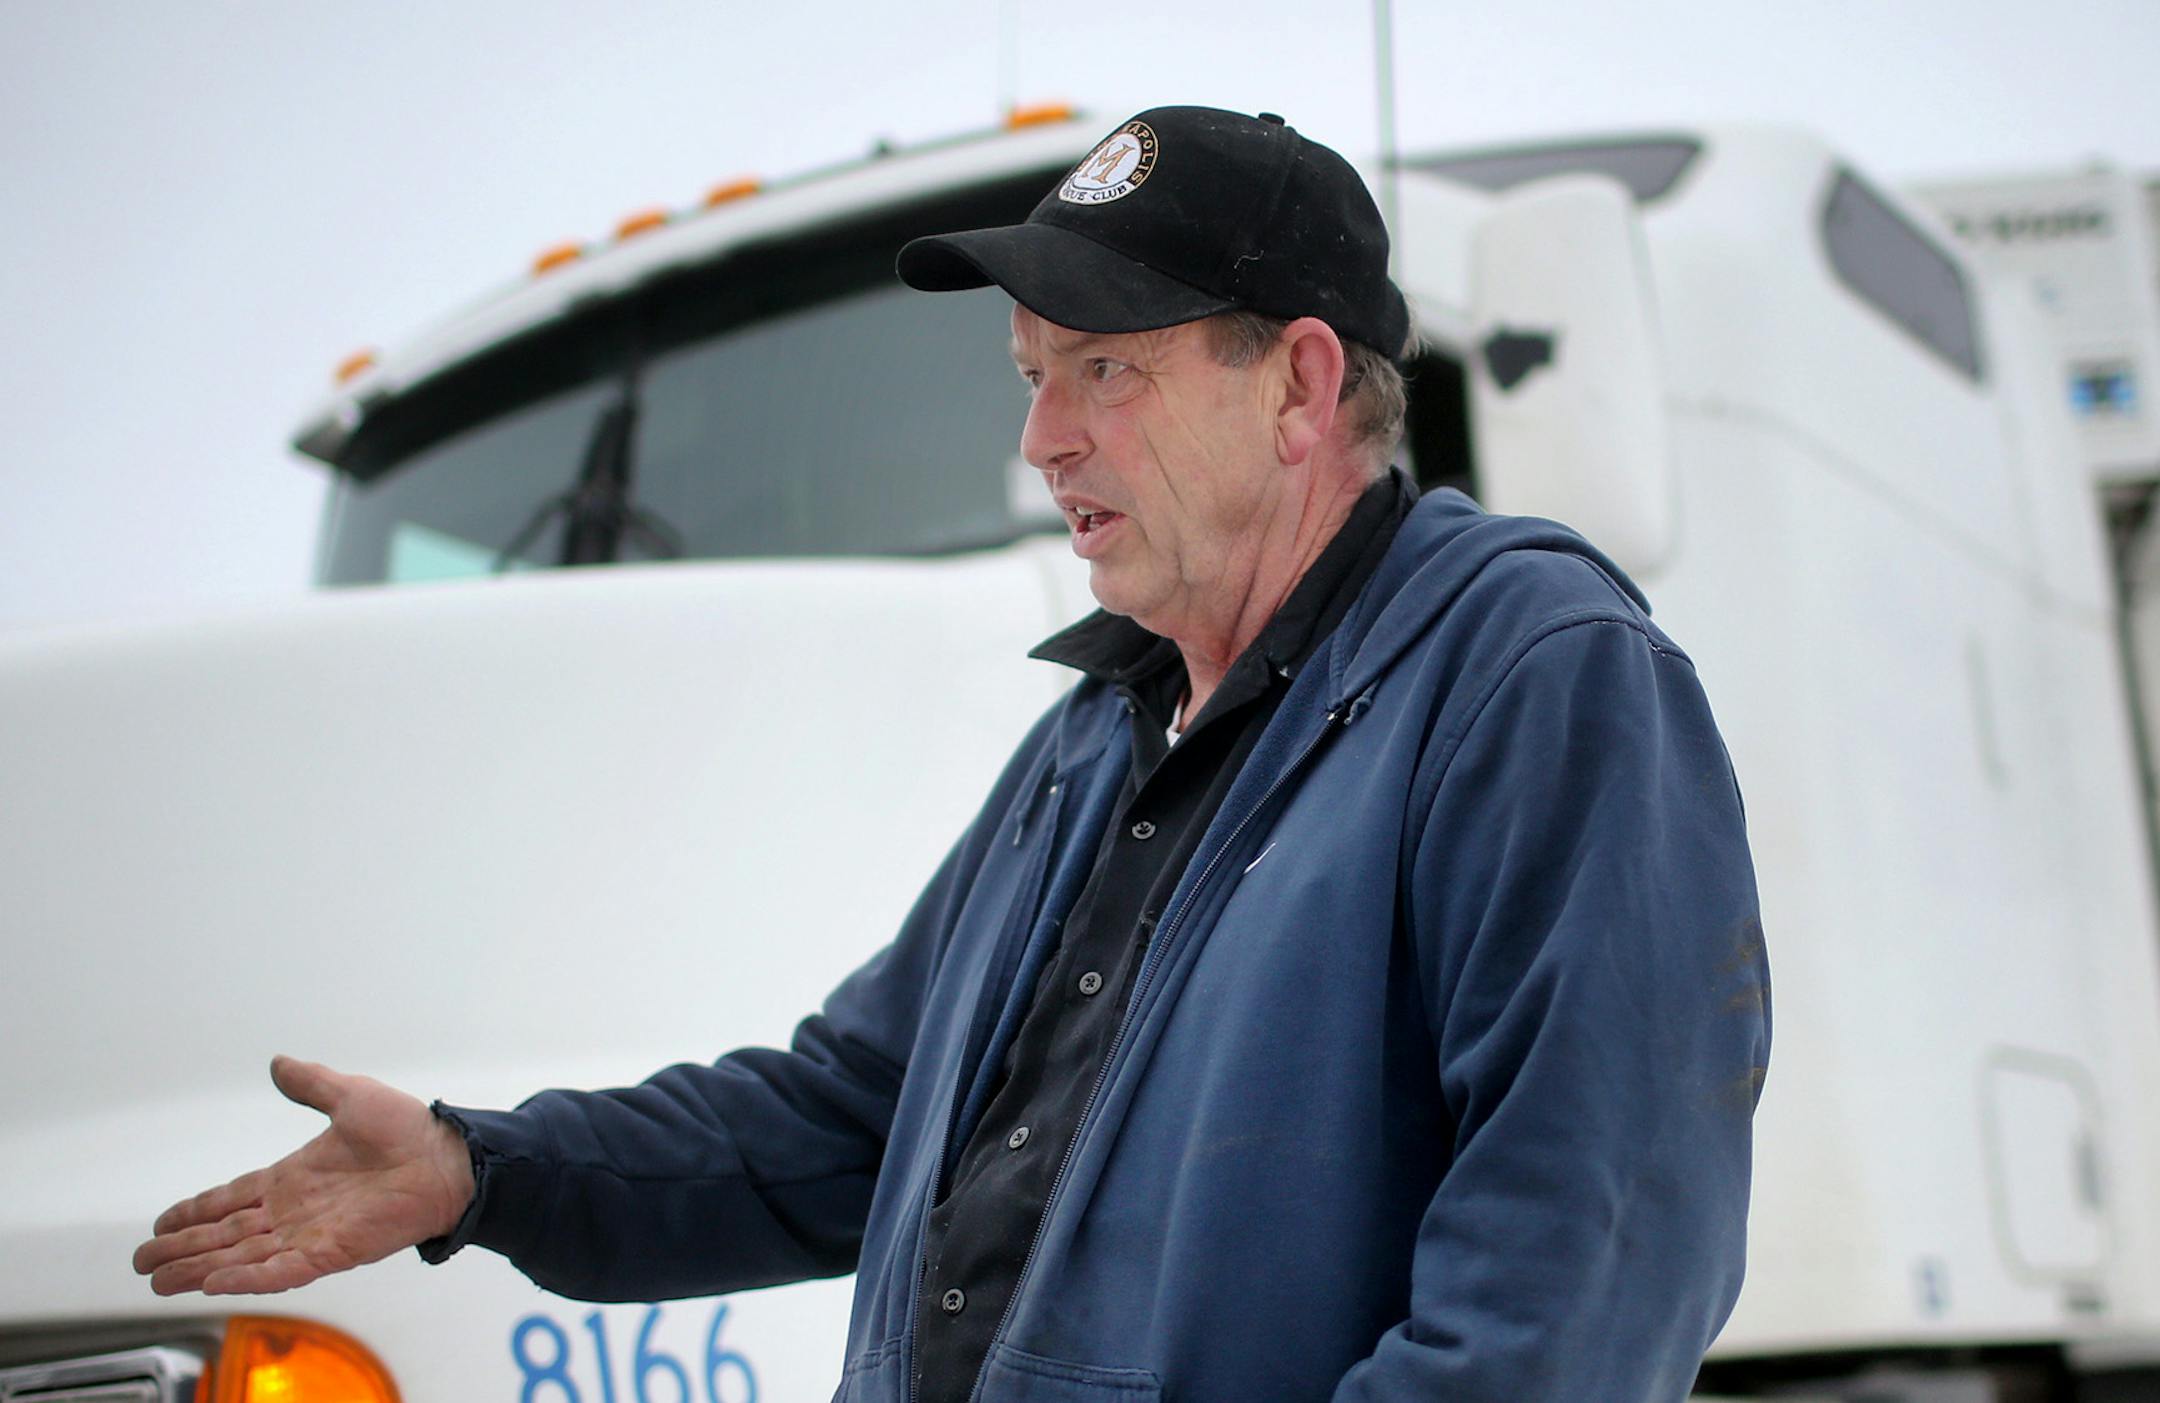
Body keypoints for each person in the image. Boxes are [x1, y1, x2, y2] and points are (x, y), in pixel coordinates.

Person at [136, 106, 1770, 1402]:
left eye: (1105, 372)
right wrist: (480, 1172)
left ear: (1302, 384)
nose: (1041, 440)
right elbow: (844, 1114)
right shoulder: (1091, 745)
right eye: (1031, 377)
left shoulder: (1525, 677)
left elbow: (1581, 1270)